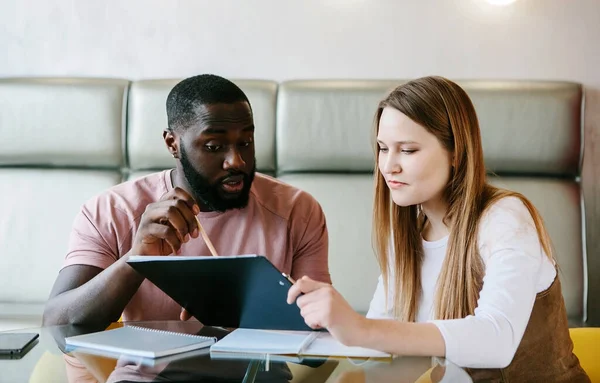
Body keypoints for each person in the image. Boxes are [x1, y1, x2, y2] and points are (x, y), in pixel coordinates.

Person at [287, 76, 590, 382]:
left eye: (407, 150)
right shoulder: (406, 236)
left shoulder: (505, 218)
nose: (389, 165)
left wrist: (359, 329)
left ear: (456, 153)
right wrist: (331, 321)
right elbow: (385, 345)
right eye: (382, 148)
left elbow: (496, 337)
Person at [42, 74, 331, 328]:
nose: (237, 161)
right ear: (172, 143)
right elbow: (57, 323)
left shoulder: (297, 211)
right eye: (214, 147)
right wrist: (137, 258)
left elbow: (319, 331)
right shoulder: (110, 211)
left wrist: (252, 308)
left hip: (258, 376)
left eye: (245, 142)